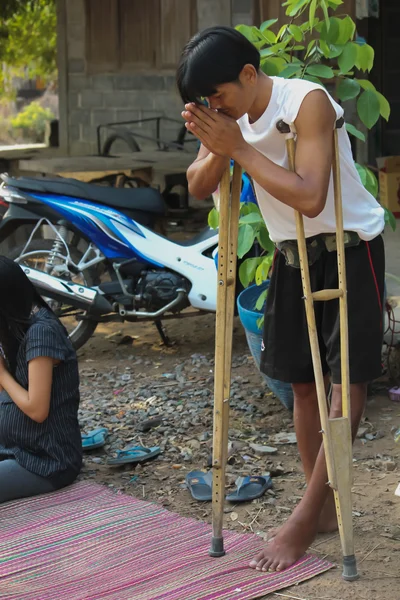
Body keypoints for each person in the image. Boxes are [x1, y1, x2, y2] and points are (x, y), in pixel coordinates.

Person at [177, 27, 385, 572]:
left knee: (345, 381)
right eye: (205, 102)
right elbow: (199, 184)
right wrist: (219, 147)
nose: (213, 106)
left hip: (347, 243)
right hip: (292, 251)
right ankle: (321, 507)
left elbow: (312, 195)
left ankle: (307, 513)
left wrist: (239, 147)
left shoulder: (306, 102)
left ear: (248, 74)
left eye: (217, 94)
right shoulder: (228, 115)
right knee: (299, 381)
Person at [0, 256, 82, 503]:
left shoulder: (42, 334)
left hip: (43, 461)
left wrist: (2, 375)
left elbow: (37, 409)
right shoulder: (17, 329)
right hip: (13, 448)